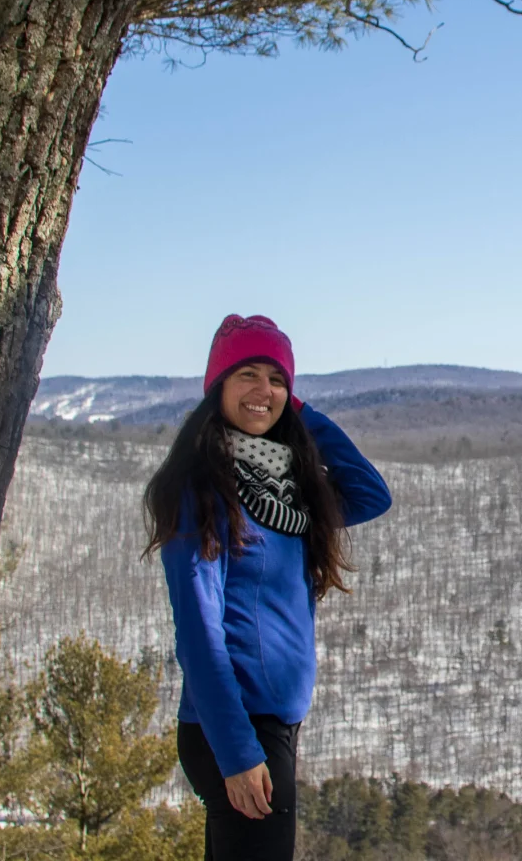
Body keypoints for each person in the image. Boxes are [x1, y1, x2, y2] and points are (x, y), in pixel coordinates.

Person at [144, 314, 392, 860]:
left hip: (273, 723)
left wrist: (299, 413)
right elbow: (198, 634)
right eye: (247, 376)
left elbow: (372, 493)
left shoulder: (291, 494)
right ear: (218, 388)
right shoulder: (204, 488)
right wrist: (236, 752)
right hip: (236, 727)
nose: (264, 391)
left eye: (277, 379)